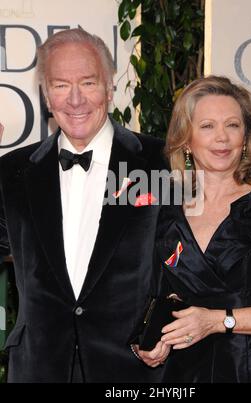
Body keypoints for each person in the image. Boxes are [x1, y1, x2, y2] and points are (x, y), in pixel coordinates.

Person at [0, 28, 167, 383]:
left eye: (88, 83)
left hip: (132, 370)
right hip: (38, 369)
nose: (75, 100)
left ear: (109, 88)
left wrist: (168, 328)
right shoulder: (13, 172)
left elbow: (186, 262)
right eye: (61, 85)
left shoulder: (158, 162)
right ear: (46, 95)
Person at [136, 75, 251, 382]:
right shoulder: (165, 210)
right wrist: (149, 339)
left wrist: (218, 321)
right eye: (207, 126)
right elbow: (152, 294)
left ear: (246, 136)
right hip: (183, 375)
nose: (222, 138)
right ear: (186, 138)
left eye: (233, 125)